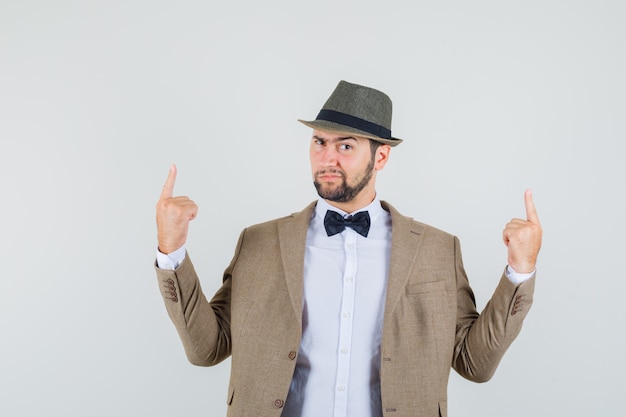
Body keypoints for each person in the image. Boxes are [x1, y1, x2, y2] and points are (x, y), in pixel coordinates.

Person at [154, 80, 542, 417]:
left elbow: (475, 364)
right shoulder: (258, 243)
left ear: (382, 156)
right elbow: (207, 349)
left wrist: (519, 270)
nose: (327, 158)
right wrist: (172, 251)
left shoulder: (437, 251)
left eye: (345, 146)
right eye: (319, 142)